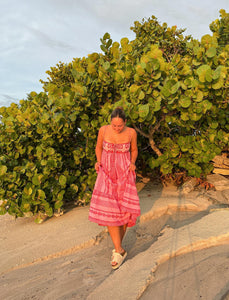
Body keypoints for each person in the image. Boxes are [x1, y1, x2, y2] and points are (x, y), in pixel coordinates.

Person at [88, 107, 141, 270]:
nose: (116, 128)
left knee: (124, 211)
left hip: (125, 173)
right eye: (114, 125)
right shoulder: (103, 131)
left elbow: (134, 150)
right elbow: (98, 147)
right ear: (110, 122)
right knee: (109, 210)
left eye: (119, 126)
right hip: (106, 174)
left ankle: (119, 251)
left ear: (125, 122)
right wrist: (98, 161)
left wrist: (132, 162)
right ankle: (119, 249)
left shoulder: (131, 133)